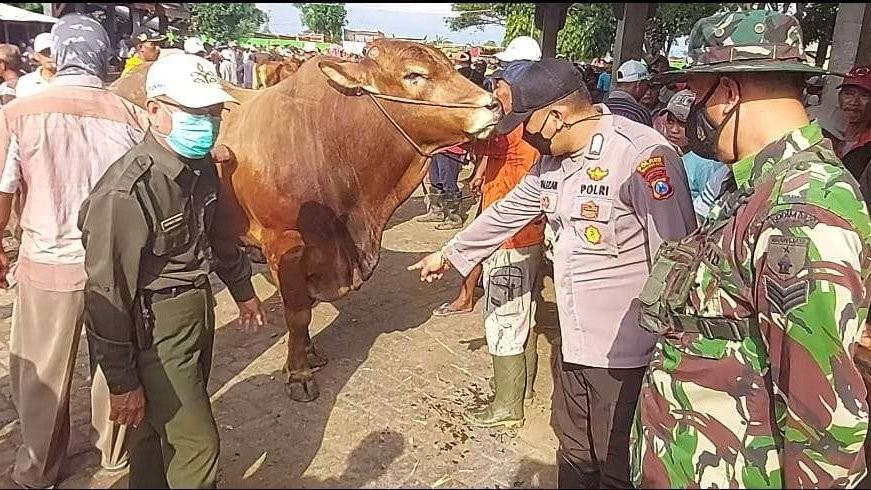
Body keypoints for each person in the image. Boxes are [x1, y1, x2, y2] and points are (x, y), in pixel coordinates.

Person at [409, 59, 697, 488]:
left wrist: (674, 355)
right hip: (575, 342)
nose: (522, 135)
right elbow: (507, 211)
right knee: (575, 452)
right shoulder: (551, 164)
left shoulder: (641, 157)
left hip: (627, 355)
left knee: (619, 463)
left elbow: (677, 256)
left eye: (528, 124)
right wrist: (450, 253)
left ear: (557, 116)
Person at [631, 10, 871, 488]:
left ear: (727, 93)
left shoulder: (800, 208)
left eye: (696, 96)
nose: (690, 112)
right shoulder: (754, 185)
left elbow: (821, 412)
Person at [79, 53, 265, 488]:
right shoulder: (127, 191)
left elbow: (215, 235)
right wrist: (122, 381)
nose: (209, 123)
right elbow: (106, 294)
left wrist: (242, 288)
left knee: (153, 435)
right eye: (195, 113)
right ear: (156, 111)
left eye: (213, 113)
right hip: (154, 328)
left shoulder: (198, 168)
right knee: (197, 447)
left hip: (195, 313)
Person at [0, 13, 148, 488]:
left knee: (41, 372)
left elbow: (3, 193)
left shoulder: (18, 115)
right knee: (115, 365)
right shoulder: (133, 117)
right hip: (115, 268)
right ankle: (114, 455)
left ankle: (38, 468)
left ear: (57, 55)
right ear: (105, 57)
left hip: (46, 263)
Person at [656, 90, 723, 210]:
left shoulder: (705, 162)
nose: (674, 130)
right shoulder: (668, 153)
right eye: (670, 121)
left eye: (682, 123)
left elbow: (710, 208)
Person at [831, 65, 871, 209]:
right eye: (848, 93)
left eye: (864, 95)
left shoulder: (868, 147)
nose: (854, 102)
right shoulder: (821, 135)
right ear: (839, 97)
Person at [604, 59, 653, 126]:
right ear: (638, 84)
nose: (647, 89)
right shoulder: (639, 114)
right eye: (647, 85)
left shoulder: (601, 108)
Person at [16, 33, 56, 98]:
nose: (51, 56)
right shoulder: (26, 82)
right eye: (46, 52)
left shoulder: (71, 79)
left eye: (54, 51)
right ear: (36, 56)